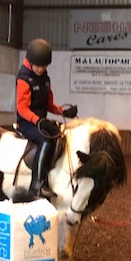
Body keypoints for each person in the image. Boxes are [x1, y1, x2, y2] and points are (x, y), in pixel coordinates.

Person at [16, 38, 78, 198]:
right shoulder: (24, 79)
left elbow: (49, 105)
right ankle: (37, 184)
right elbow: (21, 108)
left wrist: (64, 112)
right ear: (30, 62)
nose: (41, 69)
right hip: (27, 123)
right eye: (38, 66)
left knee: (59, 135)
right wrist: (38, 121)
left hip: (40, 121)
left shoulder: (45, 79)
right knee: (46, 139)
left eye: (44, 66)